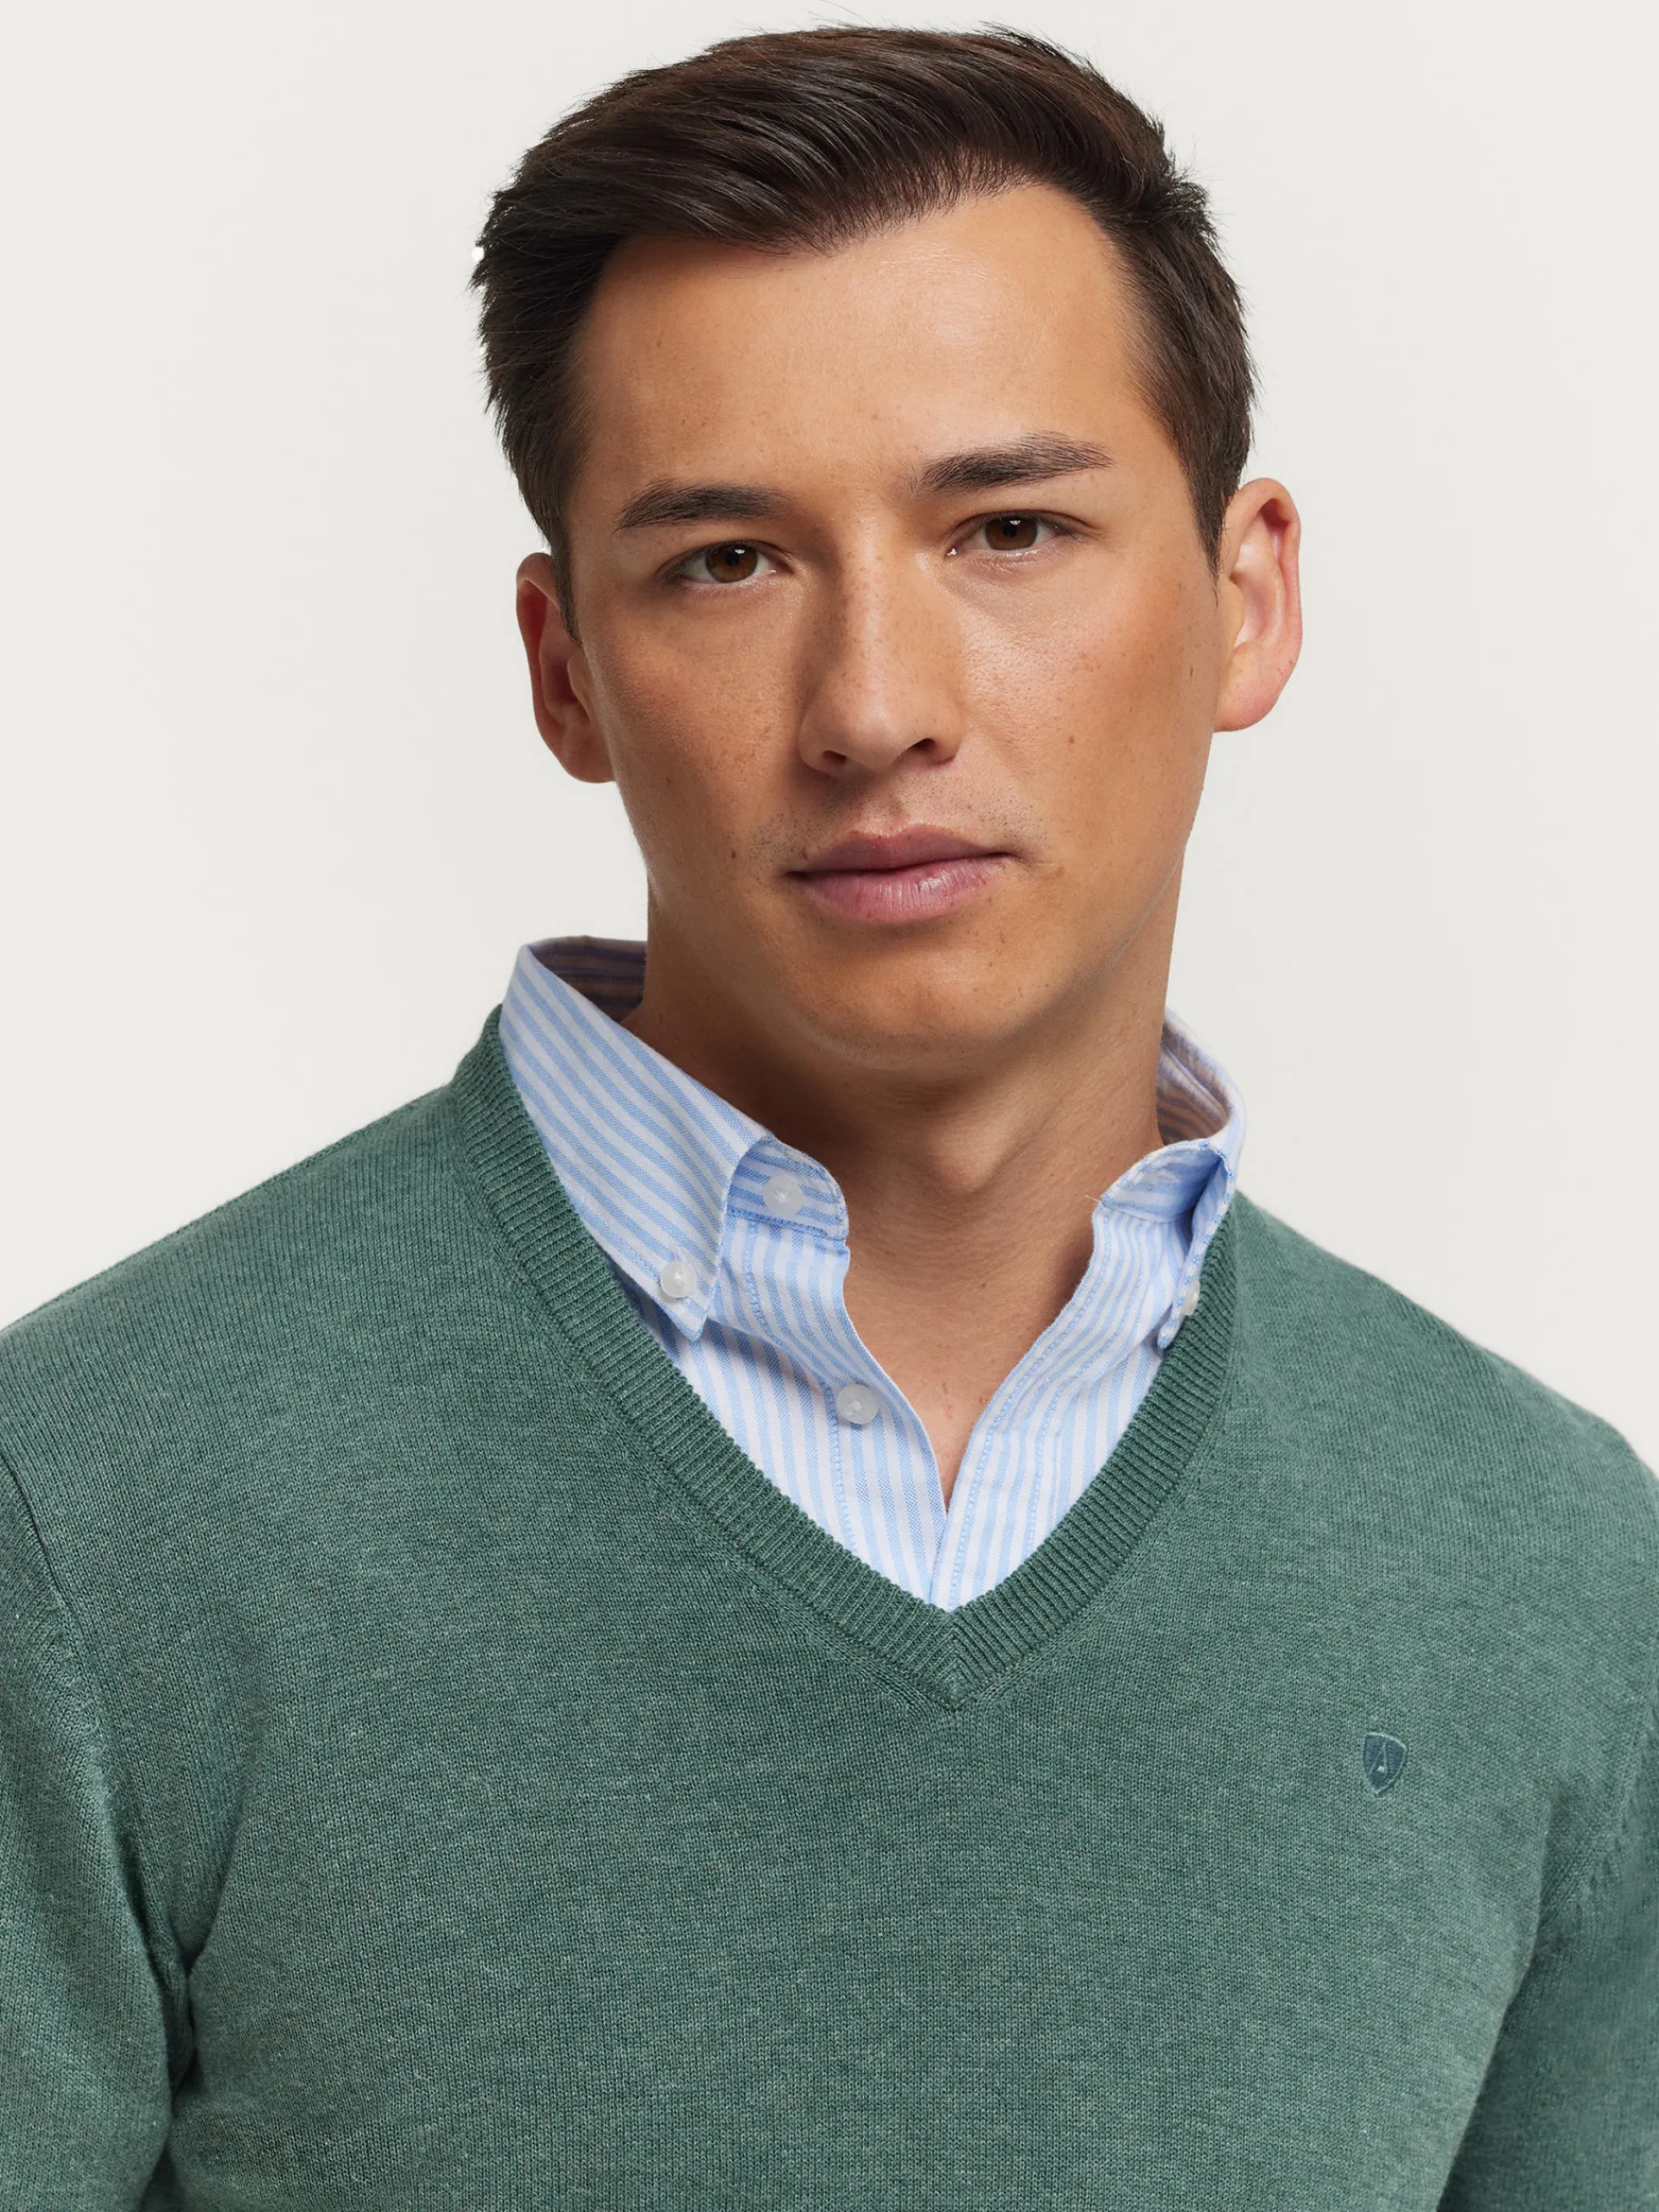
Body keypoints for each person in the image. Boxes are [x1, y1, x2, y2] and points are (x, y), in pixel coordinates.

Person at [1, 24, 1653, 2208]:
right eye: (727, 561)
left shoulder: (1551, 1565)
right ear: (565, 668)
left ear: (1247, 597)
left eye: (1011, 527)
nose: (875, 706)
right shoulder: (90, 1506)